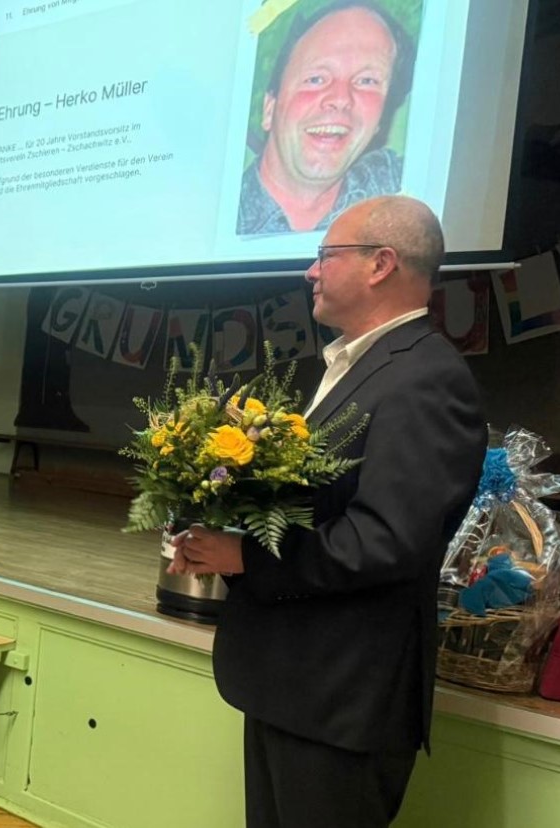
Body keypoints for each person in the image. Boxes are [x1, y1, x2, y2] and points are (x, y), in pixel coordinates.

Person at [172, 196, 487, 827]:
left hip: (341, 702)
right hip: (295, 687)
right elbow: (323, 508)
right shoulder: (358, 365)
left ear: (381, 264)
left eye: (325, 255)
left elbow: (385, 540)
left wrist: (246, 555)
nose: (310, 271)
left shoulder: (426, 377)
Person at [237, 1, 416, 236]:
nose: (341, 99)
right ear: (269, 109)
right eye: (316, 79)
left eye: (367, 81)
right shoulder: (207, 210)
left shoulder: (405, 190)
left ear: (379, 120)